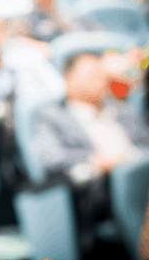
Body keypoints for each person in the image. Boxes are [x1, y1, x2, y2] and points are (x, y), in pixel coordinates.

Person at [33, 53, 149, 184]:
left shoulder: (121, 110)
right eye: (90, 75)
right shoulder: (52, 116)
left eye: (101, 75)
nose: (99, 80)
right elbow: (50, 159)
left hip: (140, 173)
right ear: (68, 79)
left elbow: (144, 142)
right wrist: (95, 161)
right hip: (99, 186)